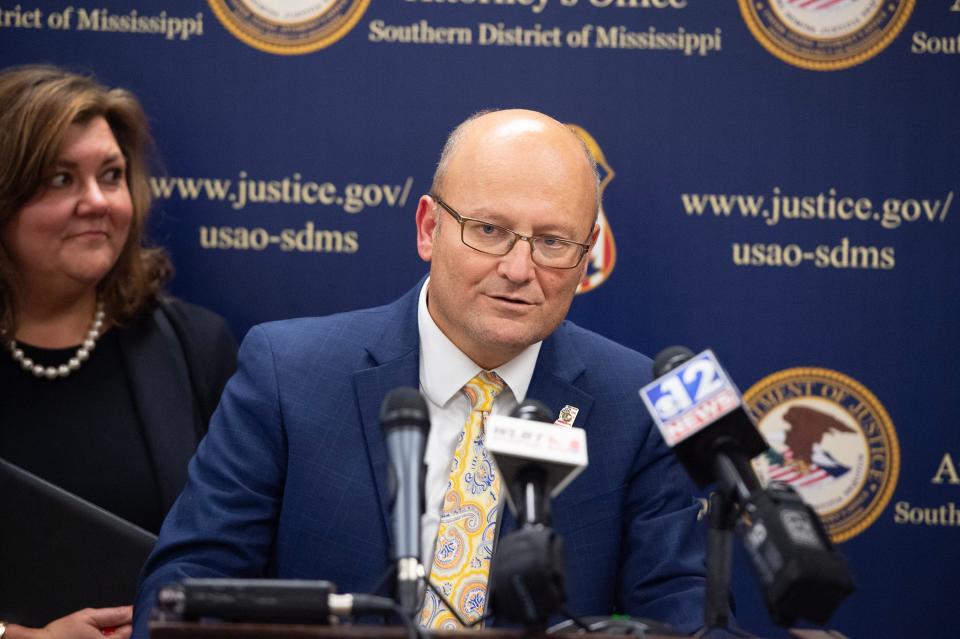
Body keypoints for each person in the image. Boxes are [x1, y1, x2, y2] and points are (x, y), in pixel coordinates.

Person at [133, 109, 707, 637]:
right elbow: (184, 592)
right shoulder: (288, 373)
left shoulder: (634, 408)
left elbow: (682, 616)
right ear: (429, 228)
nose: (517, 268)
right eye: (489, 230)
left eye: (553, 242)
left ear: (585, 260)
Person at [0, 65, 237, 637]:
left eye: (111, 175)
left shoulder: (195, 347)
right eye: (60, 179)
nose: (97, 202)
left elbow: (242, 552)